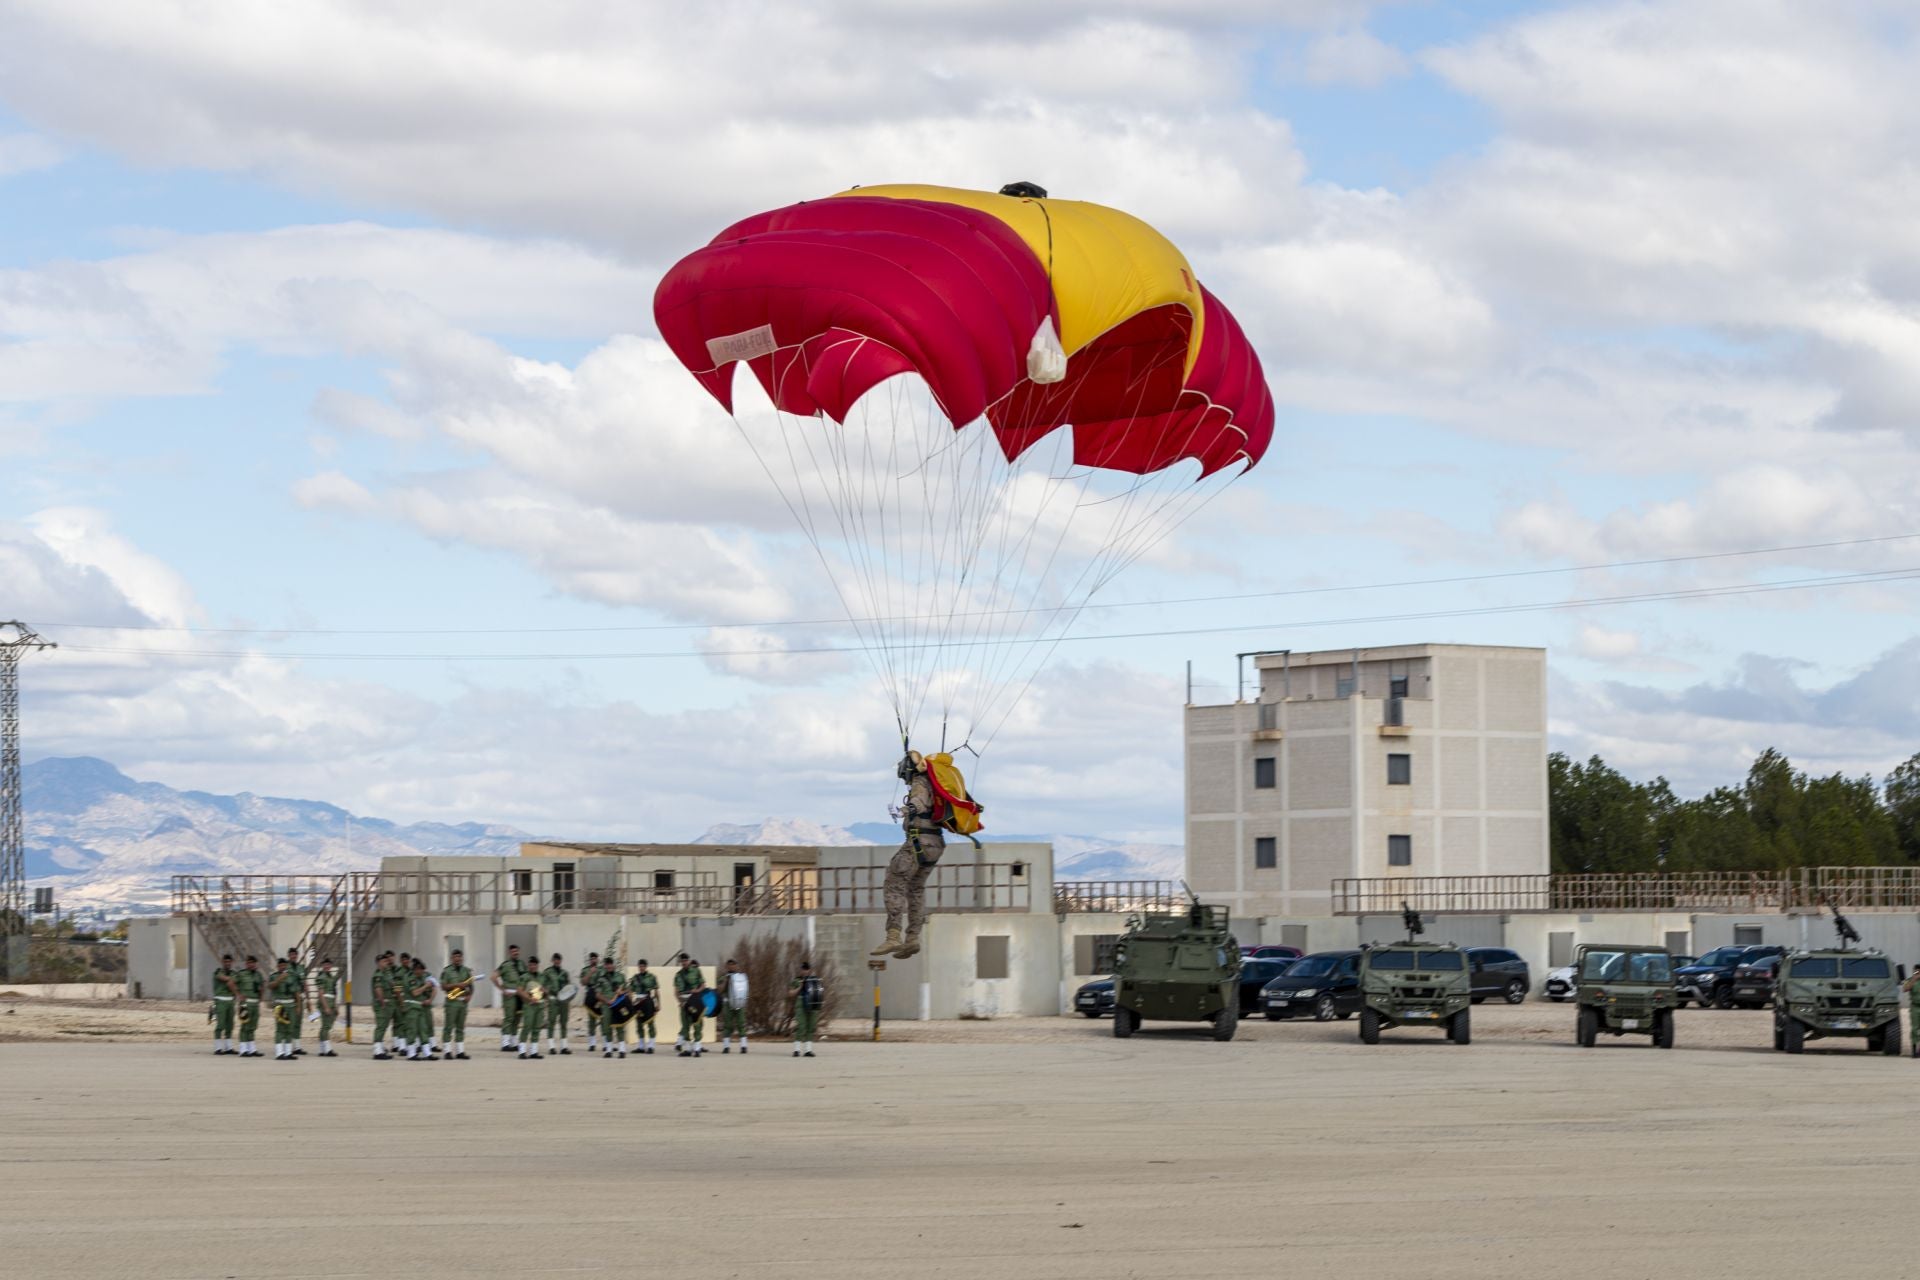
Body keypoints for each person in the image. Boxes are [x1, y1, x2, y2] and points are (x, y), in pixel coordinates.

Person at [872, 750, 944, 960]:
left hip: (918, 842)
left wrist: (902, 811)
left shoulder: (920, 783)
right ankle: (912, 938)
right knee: (915, 889)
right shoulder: (934, 783)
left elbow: (919, 802)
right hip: (935, 845)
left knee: (894, 882)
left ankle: (893, 935)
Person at [493, 945, 529, 1053]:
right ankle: (505, 1044)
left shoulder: (522, 964)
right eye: (513, 951)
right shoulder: (505, 965)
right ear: (509, 952)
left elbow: (526, 978)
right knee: (509, 1018)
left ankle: (513, 1043)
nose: (515, 953)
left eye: (517, 951)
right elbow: (493, 977)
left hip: (520, 995)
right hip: (510, 995)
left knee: (517, 1019)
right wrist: (502, 989)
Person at [440, 949, 474, 1060]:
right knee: (449, 1027)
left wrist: (469, 996)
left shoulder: (466, 971)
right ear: (451, 958)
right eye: (455, 957)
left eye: (459, 956)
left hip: (462, 1002)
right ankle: (447, 1051)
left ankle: (460, 1051)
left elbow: (471, 986)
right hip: (452, 1002)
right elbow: (443, 986)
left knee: (460, 1027)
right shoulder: (447, 971)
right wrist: (457, 984)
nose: (458, 959)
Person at [593, 956, 628, 1058]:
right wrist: (607, 1001)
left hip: (618, 1004)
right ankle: (608, 1050)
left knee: (620, 1026)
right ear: (604, 966)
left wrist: (621, 992)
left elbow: (627, 990)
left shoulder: (620, 976)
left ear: (613, 965)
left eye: (610, 964)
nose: (608, 966)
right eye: (606, 964)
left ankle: (622, 1050)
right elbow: (597, 995)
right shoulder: (601, 979)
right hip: (606, 1005)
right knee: (607, 1026)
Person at [268, 957, 302, 1061]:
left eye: (284, 965)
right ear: (277, 966)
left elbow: (296, 992)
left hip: (291, 1005)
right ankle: (279, 1053)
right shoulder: (274, 976)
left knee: (289, 1029)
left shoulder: (291, 977)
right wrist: (280, 979)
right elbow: (270, 986)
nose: (282, 967)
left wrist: (299, 1006)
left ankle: (288, 1052)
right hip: (280, 1005)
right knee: (280, 1029)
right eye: (280, 966)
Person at [674, 956, 708, 1057]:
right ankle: (687, 1049)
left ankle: (697, 1048)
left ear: (689, 961)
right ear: (680, 962)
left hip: (694, 1000)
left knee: (697, 1024)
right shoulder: (678, 975)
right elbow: (676, 991)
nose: (684, 962)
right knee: (685, 1026)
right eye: (682, 961)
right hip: (684, 1001)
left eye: (686, 960)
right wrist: (679, 1001)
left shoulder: (696, 971)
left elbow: (703, 985)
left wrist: (697, 991)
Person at [404, 959, 438, 1060]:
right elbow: (415, 993)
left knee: (423, 1029)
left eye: (423, 970)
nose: (422, 972)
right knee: (412, 1030)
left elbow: (434, 988)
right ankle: (411, 1053)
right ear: (416, 970)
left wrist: (430, 999)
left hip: (421, 1007)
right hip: (412, 1007)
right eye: (420, 970)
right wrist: (426, 986)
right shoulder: (411, 978)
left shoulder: (422, 978)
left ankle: (427, 1053)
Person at [232, 955, 265, 1058]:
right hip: (245, 1004)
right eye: (249, 963)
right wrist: (238, 995)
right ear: (246, 964)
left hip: (255, 1003)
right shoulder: (241, 974)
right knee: (245, 1026)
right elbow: (231, 983)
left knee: (253, 1026)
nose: (251, 965)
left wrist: (260, 997)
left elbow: (262, 986)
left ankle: (252, 1049)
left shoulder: (258, 975)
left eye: (253, 963)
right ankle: (243, 1049)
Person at [790, 960, 824, 1058]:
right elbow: (790, 993)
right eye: (803, 969)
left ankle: (808, 1050)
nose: (804, 971)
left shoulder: (814, 980)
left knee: (811, 1027)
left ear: (809, 970)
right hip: (801, 1005)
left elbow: (819, 991)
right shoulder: (797, 980)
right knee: (801, 1026)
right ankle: (796, 1050)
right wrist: (799, 987)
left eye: (806, 969)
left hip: (813, 1005)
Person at [541, 953, 573, 1056]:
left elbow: (569, 987)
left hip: (563, 1000)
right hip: (553, 999)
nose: (557, 961)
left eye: (558, 959)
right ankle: (551, 1047)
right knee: (551, 1022)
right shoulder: (547, 972)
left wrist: (568, 999)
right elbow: (542, 985)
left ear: (561, 960)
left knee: (564, 1022)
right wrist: (546, 994)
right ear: (552, 960)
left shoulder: (565, 973)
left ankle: (564, 1047)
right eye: (555, 959)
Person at [627, 959, 661, 1055]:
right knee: (639, 1024)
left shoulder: (652, 977)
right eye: (640, 966)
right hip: (637, 1001)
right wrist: (630, 1002)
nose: (641, 968)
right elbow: (630, 991)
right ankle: (641, 1046)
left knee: (650, 1023)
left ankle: (651, 1045)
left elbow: (656, 991)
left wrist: (658, 1003)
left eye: (643, 966)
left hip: (648, 1001)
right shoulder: (634, 978)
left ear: (646, 967)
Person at [369, 952, 398, 1060]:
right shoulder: (378, 975)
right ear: (378, 963)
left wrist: (399, 996)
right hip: (382, 1004)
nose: (386, 963)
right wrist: (382, 1002)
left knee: (384, 1026)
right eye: (383, 961)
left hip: (389, 1003)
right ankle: (377, 1051)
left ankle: (380, 1048)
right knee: (381, 1027)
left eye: (386, 961)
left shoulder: (387, 973)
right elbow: (378, 989)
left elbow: (394, 985)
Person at [718, 958, 749, 1054]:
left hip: (739, 1002)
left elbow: (745, 989)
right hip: (728, 1004)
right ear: (727, 966)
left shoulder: (741, 976)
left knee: (741, 1023)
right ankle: (726, 1046)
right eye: (730, 965)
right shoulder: (723, 977)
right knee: (728, 1025)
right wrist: (726, 981)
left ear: (737, 965)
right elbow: (720, 990)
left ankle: (743, 1046)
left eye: (734, 964)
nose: (732, 966)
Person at [311, 956, 341, 1057]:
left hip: (331, 1002)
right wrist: (326, 1007)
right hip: (325, 1003)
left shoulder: (330, 977)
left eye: (329, 964)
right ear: (322, 966)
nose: (327, 966)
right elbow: (321, 993)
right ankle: (327, 1049)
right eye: (325, 964)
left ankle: (323, 1049)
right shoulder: (322, 977)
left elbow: (334, 992)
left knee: (327, 1026)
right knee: (326, 1026)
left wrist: (335, 1006)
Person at [210, 953, 239, 1055]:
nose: (227, 963)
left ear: (232, 962)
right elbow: (224, 979)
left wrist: (230, 980)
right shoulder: (218, 971)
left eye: (229, 961)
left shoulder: (234, 973)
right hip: (220, 1000)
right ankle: (218, 1048)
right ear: (222, 962)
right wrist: (230, 980)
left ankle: (228, 1047)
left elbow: (232, 981)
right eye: (225, 961)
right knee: (220, 1024)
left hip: (230, 1001)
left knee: (230, 1024)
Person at [284, 946, 309, 1055]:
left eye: (295, 954)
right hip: (289, 999)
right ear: (288, 956)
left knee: (298, 1023)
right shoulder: (285, 967)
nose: (293, 956)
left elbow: (304, 983)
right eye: (291, 955)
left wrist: (308, 998)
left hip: (300, 998)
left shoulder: (301, 968)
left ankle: (297, 1047)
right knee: (289, 1023)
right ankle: (287, 1046)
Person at [581, 952, 601, 1053]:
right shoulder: (585, 970)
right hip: (590, 993)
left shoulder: (602, 969)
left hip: (601, 994)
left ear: (598, 960)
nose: (593, 960)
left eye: (595, 958)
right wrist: (590, 973)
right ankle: (592, 1044)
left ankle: (607, 1043)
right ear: (590, 960)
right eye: (592, 959)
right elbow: (583, 982)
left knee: (603, 1018)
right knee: (591, 1020)